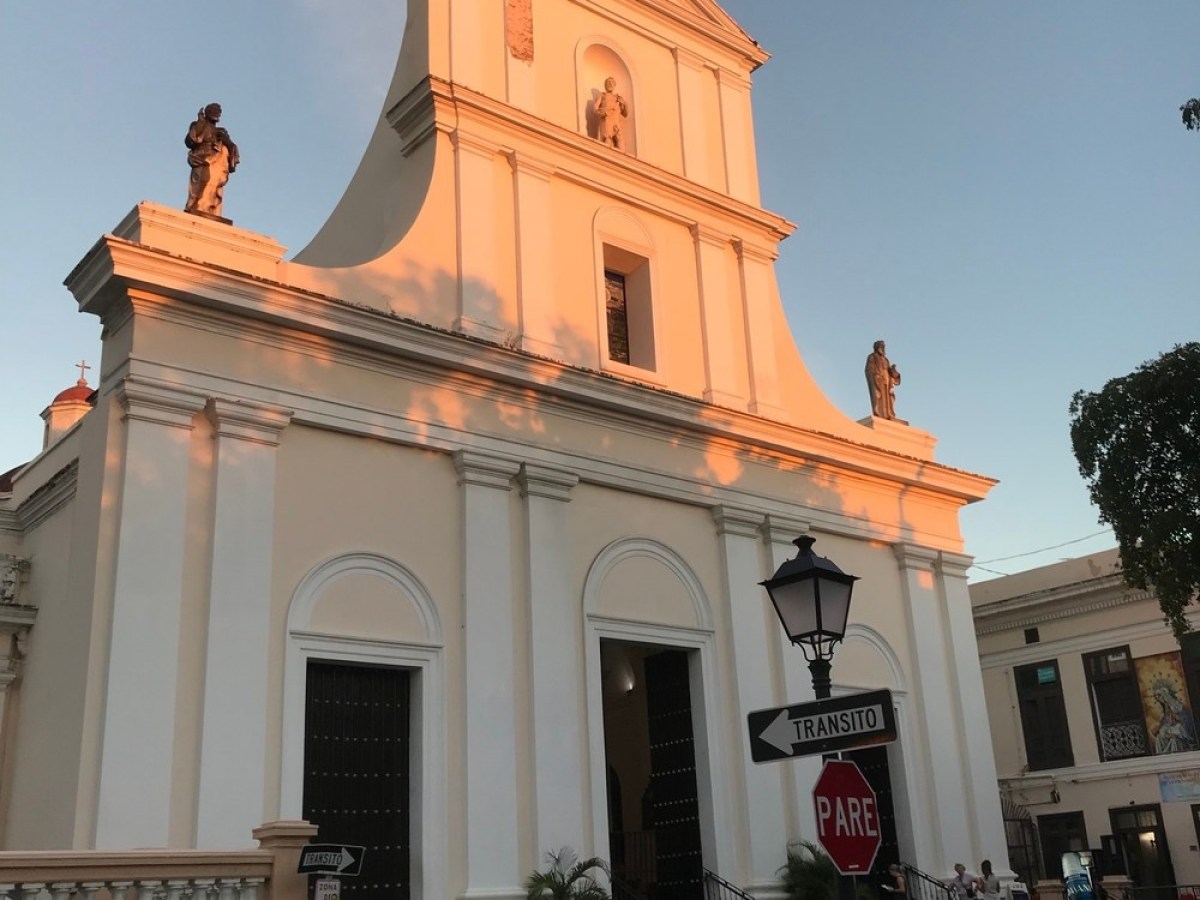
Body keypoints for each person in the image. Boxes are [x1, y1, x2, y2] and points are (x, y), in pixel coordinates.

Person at [185, 102, 239, 218]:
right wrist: (200, 122)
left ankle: (210, 208)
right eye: (213, 111)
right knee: (203, 180)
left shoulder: (221, 131)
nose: (215, 114)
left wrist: (225, 140)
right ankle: (196, 205)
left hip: (217, 161)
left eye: (217, 112)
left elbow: (232, 147)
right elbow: (190, 141)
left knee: (214, 184)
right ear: (207, 113)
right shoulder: (198, 125)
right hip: (201, 158)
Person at [865, 340, 901, 420]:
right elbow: (868, 370)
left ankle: (889, 414)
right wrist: (876, 375)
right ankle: (881, 414)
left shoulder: (886, 360)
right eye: (881, 346)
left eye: (884, 347)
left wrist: (893, 371)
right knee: (880, 397)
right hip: (878, 380)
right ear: (877, 347)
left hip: (887, 380)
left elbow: (890, 372)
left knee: (888, 398)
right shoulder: (872, 357)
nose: (883, 348)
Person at [595, 77, 628, 150]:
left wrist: (624, 104)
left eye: (612, 82)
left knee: (620, 139)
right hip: (606, 120)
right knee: (607, 139)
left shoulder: (618, 98)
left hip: (616, 123)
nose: (610, 84)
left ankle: (622, 158)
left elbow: (625, 114)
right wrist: (601, 113)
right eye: (608, 82)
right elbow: (595, 108)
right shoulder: (602, 95)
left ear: (615, 85)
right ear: (605, 85)